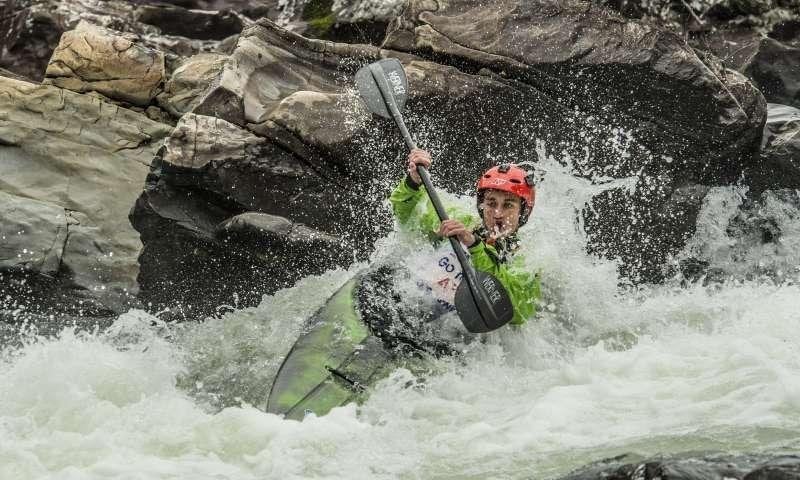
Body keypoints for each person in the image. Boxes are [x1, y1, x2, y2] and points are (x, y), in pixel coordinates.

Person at [388, 148, 541, 327]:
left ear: (523, 212)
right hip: (410, 305)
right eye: (491, 203)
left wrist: (475, 246)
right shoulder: (459, 219)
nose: (498, 213)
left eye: (508, 205)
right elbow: (408, 216)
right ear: (481, 205)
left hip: (455, 337)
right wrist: (414, 182)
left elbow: (516, 311)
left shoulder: (527, 258)